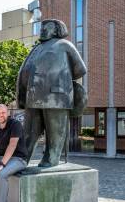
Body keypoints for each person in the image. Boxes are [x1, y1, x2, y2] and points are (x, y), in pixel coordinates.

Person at [16, 19, 87, 167]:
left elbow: (80, 69)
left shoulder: (65, 45)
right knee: (28, 132)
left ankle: (51, 159)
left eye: (46, 27)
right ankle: (21, 159)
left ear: (56, 30)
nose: (42, 30)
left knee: (55, 132)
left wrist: (59, 78)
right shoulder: (36, 48)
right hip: (33, 97)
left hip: (56, 97)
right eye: (41, 27)